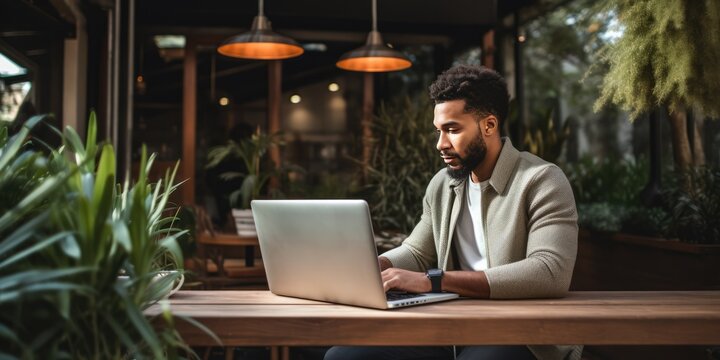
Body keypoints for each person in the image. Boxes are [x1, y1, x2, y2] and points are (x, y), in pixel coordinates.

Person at [325, 65, 581, 360]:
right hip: (453, 328)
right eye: (438, 131)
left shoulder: (542, 180)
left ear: (489, 125)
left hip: (521, 332)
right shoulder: (443, 184)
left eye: (452, 130)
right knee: (343, 356)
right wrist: (373, 265)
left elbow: (549, 272)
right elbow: (416, 252)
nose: (441, 144)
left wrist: (434, 280)